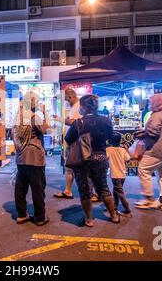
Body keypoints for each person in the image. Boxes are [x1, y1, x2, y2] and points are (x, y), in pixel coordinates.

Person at [65, 95, 120, 227]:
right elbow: (110, 137)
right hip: (101, 157)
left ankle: (89, 219)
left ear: (83, 107)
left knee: (85, 190)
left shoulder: (78, 123)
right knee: (103, 187)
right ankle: (113, 215)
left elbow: (68, 139)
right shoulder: (106, 121)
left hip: (82, 159)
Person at [53, 88, 99, 200]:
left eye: (66, 100)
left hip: (80, 143)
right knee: (69, 166)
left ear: (70, 97)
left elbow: (76, 123)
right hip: (75, 141)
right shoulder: (75, 107)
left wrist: (60, 119)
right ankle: (68, 191)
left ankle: (93, 193)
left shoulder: (78, 106)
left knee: (85, 168)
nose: (66, 102)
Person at [13, 92, 50, 226]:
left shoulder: (18, 116)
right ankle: (40, 217)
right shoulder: (33, 117)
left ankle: (22, 214)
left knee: (21, 187)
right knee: (37, 187)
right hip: (34, 156)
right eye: (37, 102)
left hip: (21, 156)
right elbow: (46, 129)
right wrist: (45, 113)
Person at [135, 94, 162, 210]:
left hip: (156, 150)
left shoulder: (157, 115)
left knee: (143, 170)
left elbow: (153, 133)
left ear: (158, 103)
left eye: (151, 102)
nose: (150, 104)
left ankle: (148, 199)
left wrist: (143, 134)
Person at [106, 133, 132, 217]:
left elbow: (105, 158)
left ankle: (127, 210)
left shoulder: (109, 149)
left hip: (115, 175)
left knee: (119, 192)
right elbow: (128, 159)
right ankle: (115, 206)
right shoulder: (122, 150)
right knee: (116, 190)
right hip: (122, 174)